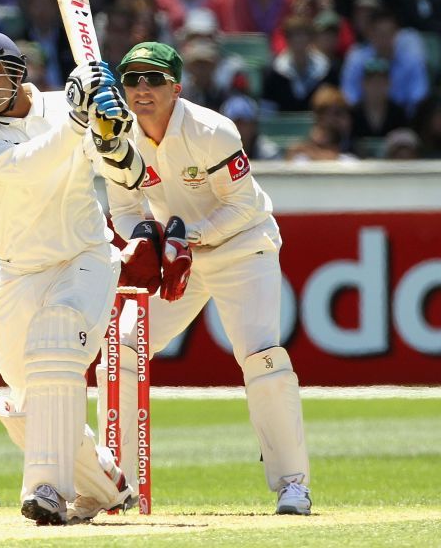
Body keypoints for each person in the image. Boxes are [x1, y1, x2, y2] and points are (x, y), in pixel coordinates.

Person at [104, 41, 312, 516]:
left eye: (153, 79)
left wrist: (186, 237)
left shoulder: (212, 130)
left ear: (175, 87)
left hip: (242, 246)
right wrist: (149, 242)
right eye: (132, 78)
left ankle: (292, 485)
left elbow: (242, 206)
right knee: (123, 348)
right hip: (180, 255)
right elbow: (123, 208)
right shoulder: (116, 138)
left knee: (261, 357)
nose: (141, 88)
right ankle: (117, 482)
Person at [0, 31, 145, 525]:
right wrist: (79, 122)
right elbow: (27, 169)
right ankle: (106, 485)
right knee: (24, 406)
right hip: (20, 273)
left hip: (84, 256)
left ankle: (46, 491)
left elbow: (129, 172)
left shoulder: (67, 105)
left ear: (17, 70)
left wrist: (114, 135)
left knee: (56, 348)